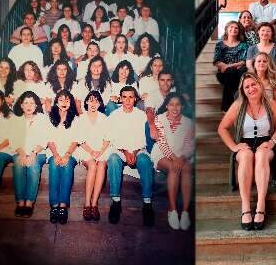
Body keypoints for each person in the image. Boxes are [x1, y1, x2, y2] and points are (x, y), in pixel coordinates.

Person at [218, 72, 276, 230]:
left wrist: (272, 142)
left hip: (266, 144)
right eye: (247, 86)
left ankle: (261, 205)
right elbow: (222, 128)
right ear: (242, 90)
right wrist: (234, 146)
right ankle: (245, 207)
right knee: (246, 155)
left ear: (260, 85)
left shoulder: (272, 103)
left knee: (260, 155)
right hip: (244, 145)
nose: (251, 88)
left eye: (253, 84)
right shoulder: (238, 105)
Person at [106, 86, 155, 226]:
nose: (127, 100)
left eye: (131, 97)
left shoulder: (141, 115)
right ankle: (116, 202)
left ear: (135, 99)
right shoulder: (114, 115)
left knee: (145, 161)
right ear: (120, 99)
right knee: (114, 160)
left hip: (138, 150)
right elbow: (112, 138)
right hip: (120, 150)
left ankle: (147, 203)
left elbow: (143, 139)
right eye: (124, 97)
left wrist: (133, 152)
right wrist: (125, 152)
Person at [151, 93, 194, 230]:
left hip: (182, 155)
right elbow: (162, 143)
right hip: (161, 154)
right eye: (171, 104)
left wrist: (181, 158)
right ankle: (172, 210)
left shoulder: (189, 122)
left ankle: (186, 212)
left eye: (178, 105)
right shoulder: (159, 119)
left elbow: (189, 145)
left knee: (186, 168)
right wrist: (175, 159)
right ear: (167, 106)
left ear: (182, 106)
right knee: (173, 167)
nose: (174, 108)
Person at [10, 91, 49, 218]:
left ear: (37, 105)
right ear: (21, 105)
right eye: (26, 103)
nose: (29, 106)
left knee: (33, 164)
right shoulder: (16, 120)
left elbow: (44, 140)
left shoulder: (42, 119)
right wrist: (21, 153)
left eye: (32, 103)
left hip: (39, 152)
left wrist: (33, 153)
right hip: (20, 151)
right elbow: (13, 140)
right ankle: (20, 201)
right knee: (18, 162)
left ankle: (29, 202)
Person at [73, 91, 110, 221]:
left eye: (96, 101)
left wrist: (100, 151)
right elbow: (79, 139)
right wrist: (91, 151)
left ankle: (94, 204)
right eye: (91, 100)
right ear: (86, 102)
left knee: (102, 166)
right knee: (93, 165)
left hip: (101, 150)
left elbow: (107, 138)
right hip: (85, 150)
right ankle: (87, 203)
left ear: (99, 103)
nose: (93, 103)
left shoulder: (104, 118)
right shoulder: (80, 119)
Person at [47, 90, 79, 224]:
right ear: (56, 102)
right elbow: (49, 140)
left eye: (67, 100)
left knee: (66, 166)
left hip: (70, 152)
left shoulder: (75, 119)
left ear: (70, 102)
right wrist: (56, 155)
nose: (64, 103)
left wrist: (66, 155)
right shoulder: (49, 117)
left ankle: (63, 206)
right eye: (61, 100)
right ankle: (54, 205)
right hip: (53, 151)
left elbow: (75, 140)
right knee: (54, 164)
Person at [213, 21, 248, 112]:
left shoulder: (243, 45)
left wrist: (228, 66)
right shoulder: (220, 44)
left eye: (236, 28)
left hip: (238, 71)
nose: (233, 29)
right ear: (227, 30)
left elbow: (243, 61)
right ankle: (237, 106)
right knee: (231, 72)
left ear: (239, 31)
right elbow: (216, 61)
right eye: (231, 27)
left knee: (240, 71)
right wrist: (225, 67)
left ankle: (226, 108)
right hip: (224, 73)